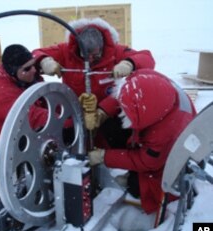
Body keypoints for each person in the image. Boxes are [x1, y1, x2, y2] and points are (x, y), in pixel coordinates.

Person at [87, 69, 197, 214]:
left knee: (137, 187)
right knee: (110, 126)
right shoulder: (146, 82)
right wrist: (103, 112)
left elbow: (145, 161)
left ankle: (132, 179)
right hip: (164, 123)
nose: (122, 112)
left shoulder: (164, 134)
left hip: (168, 157)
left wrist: (104, 157)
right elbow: (126, 94)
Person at [32, 17, 155, 147]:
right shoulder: (66, 51)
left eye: (95, 56)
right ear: (77, 46)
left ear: (102, 47)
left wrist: (129, 64)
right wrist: (45, 61)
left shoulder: (115, 51)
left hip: (108, 114)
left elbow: (147, 58)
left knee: (115, 137)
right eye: (85, 55)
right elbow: (35, 53)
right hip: (73, 113)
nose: (90, 60)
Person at [0, 44, 47, 152]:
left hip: (26, 129)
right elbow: (31, 117)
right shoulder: (3, 93)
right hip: (10, 144)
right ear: (13, 72)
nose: (34, 70)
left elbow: (45, 99)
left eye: (34, 65)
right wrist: (68, 119)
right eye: (28, 69)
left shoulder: (23, 76)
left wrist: (44, 60)